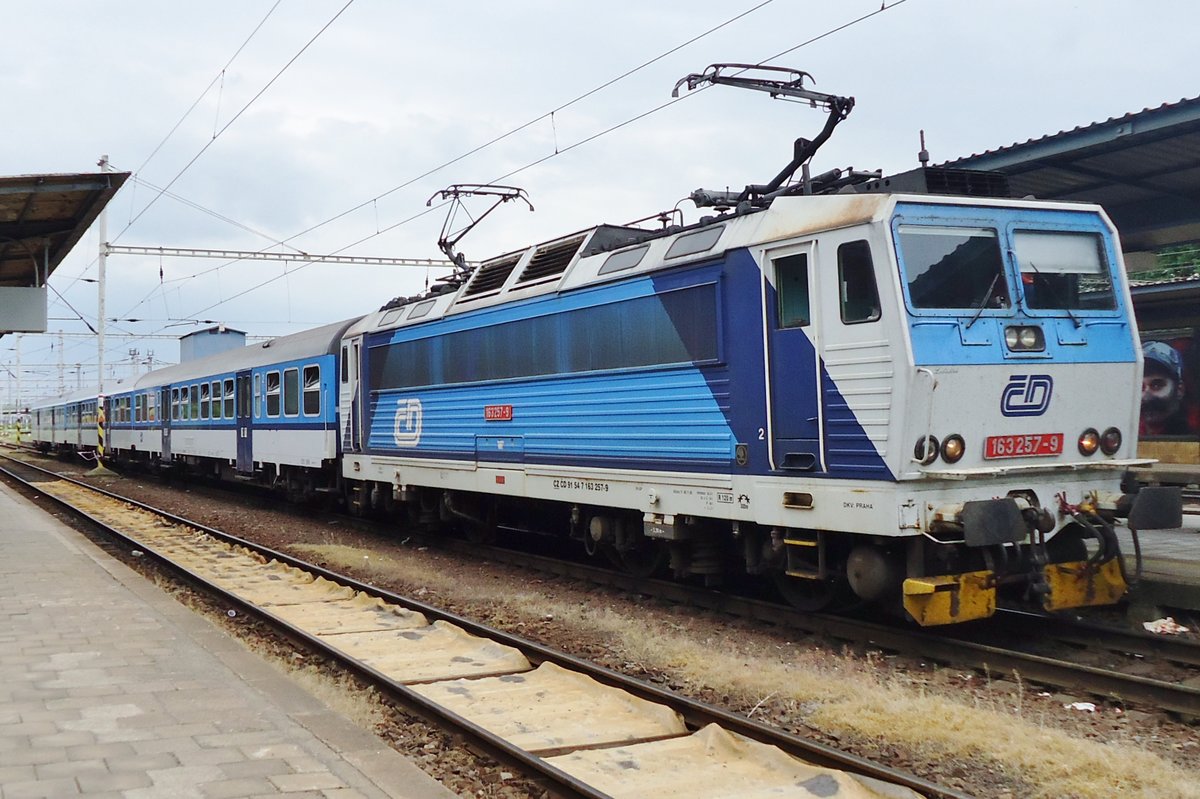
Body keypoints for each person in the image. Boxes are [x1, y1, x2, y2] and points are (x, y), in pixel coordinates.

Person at [1140, 340, 1189, 435]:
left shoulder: (1191, 437)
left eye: (1156, 385)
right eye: (1140, 387)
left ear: (1180, 390)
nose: (1146, 397)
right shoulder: (1125, 434)